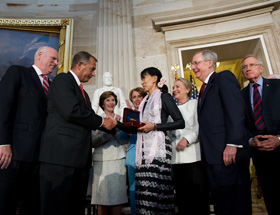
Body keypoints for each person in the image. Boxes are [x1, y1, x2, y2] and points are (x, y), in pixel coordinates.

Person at [39, 51, 117, 215]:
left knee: (74, 207)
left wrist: (119, 125)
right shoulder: (62, 80)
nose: (93, 74)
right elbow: (71, 111)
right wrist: (103, 122)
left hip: (78, 159)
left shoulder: (83, 93)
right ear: (80, 65)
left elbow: (88, 118)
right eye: (92, 69)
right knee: (56, 207)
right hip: (60, 157)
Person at [192, 50, 252, 215]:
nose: (193, 67)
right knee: (222, 203)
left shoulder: (223, 77)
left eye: (196, 63)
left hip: (228, 153)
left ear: (209, 63)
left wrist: (232, 143)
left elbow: (235, 111)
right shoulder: (203, 89)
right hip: (213, 157)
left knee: (235, 204)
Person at [0, 46, 58, 215]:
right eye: (53, 59)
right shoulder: (18, 72)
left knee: (32, 206)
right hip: (14, 154)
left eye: (56, 61)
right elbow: (3, 107)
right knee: (6, 203)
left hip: (39, 158)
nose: (55, 63)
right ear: (39, 55)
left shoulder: (52, 85)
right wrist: (3, 143)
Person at [135, 67, 185, 215]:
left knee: (159, 192)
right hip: (143, 150)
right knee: (145, 193)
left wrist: (155, 126)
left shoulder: (164, 97)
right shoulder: (144, 101)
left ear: (155, 78)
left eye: (145, 78)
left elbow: (180, 122)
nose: (142, 82)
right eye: (142, 78)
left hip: (159, 149)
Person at [241, 54, 280, 215]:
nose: (248, 69)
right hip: (260, 152)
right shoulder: (241, 94)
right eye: (244, 67)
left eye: (252, 65)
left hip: (279, 146)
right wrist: (250, 140)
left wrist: (279, 138)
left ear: (261, 68)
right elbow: (242, 123)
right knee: (270, 196)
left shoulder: (277, 85)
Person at [171, 77, 209, 215]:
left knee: (198, 196)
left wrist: (187, 139)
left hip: (194, 157)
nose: (174, 89)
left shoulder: (195, 104)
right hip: (176, 159)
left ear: (188, 89)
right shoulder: (171, 108)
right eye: (173, 87)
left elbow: (201, 127)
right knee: (182, 198)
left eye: (178, 86)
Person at [91, 91, 128, 215]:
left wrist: (118, 127)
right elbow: (93, 141)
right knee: (102, 199)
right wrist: (109, 132)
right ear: (102, 103)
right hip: (101, 161)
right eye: (107, 100)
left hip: (118, 160)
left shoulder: (120, 119)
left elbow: (124, 140)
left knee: (117, 198)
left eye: (113, 100)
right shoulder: (96, 119)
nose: (111, 103)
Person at [119, 87, 147, 215]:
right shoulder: (129, 116)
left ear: (144, 97)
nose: (136, 99)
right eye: (134, 97)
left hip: (148, 156)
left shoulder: (149, 113)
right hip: (132, 157)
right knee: (133, 190)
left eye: (139, 96)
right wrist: (125, 130)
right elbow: (121, 138)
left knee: (147, 191)